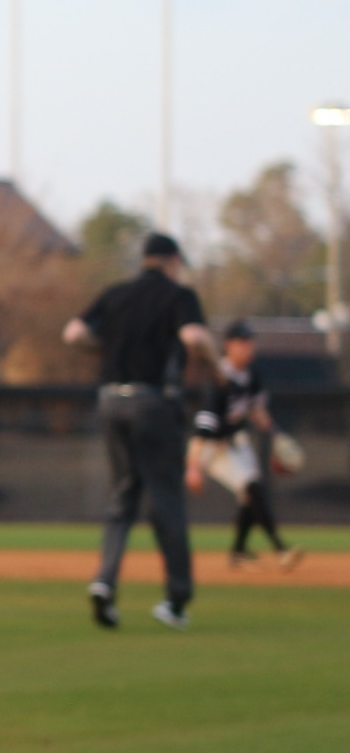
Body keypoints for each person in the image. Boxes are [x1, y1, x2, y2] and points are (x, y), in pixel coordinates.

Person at [62, 233, 220, 631]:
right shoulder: (178, 295)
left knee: (123, 495)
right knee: (166, 500)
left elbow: (74, 333)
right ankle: (176, 600)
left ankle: (104, 582)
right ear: (173, 261)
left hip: (110, 401)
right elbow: (194, 336)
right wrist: (218, 368)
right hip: (152, 402)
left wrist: (104, 349)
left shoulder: (115, 294)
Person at [188, 320, 303, 573]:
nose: (248, 347)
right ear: (228, 345)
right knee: (252, 488)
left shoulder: (251, 376)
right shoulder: (219, 378)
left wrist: (275, 434)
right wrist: (193, 467)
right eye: (242, 342)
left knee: (251, 495)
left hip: (236, 442)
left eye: (250, 342)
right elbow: (202, 429)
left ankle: (238, 552)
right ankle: (281, 550)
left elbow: (256, 410)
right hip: (213, 447)